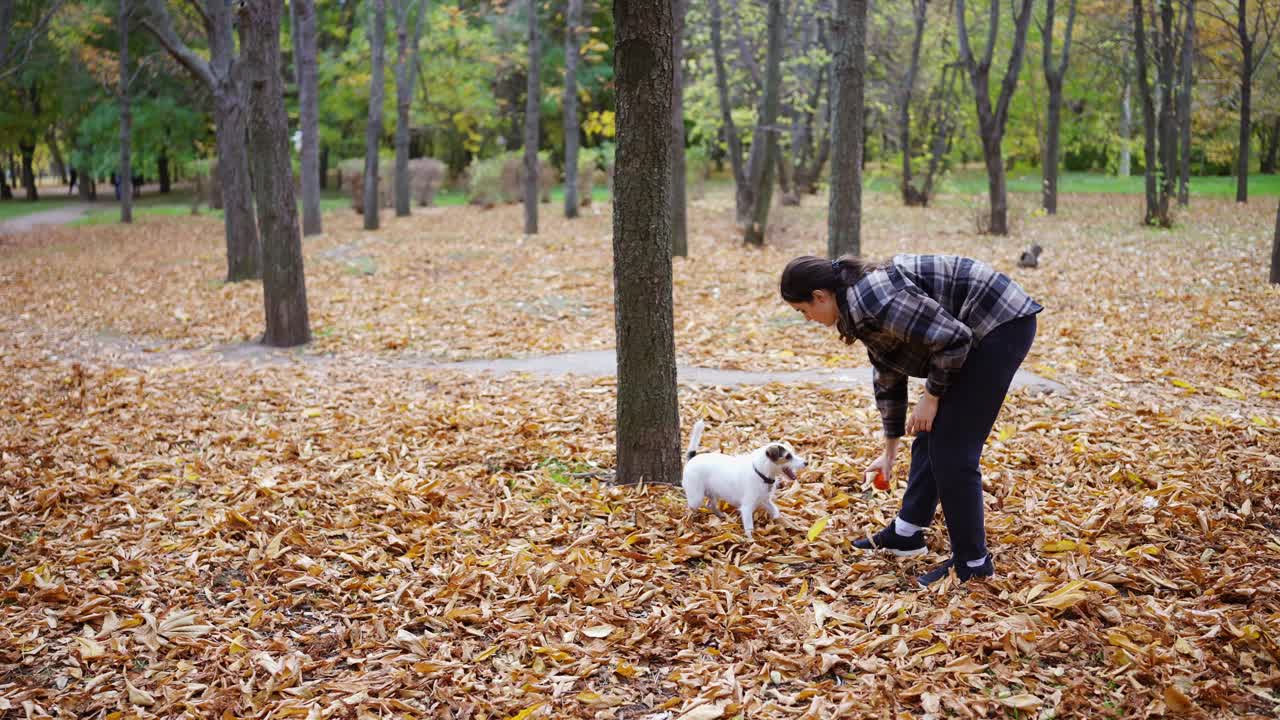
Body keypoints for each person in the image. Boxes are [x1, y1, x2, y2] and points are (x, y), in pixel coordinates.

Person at [780, 254, 1042, 586]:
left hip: (999, 322)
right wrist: (889, 453)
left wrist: (931, 396)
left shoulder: (874, 300)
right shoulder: (857, 307)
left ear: (820, 296)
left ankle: (973, 564)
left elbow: (955, 339)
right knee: (931, 435)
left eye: (804, 311)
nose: (807, 319)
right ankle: (907, 533)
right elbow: (888, 374)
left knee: (953, 451)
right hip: (976, 326)